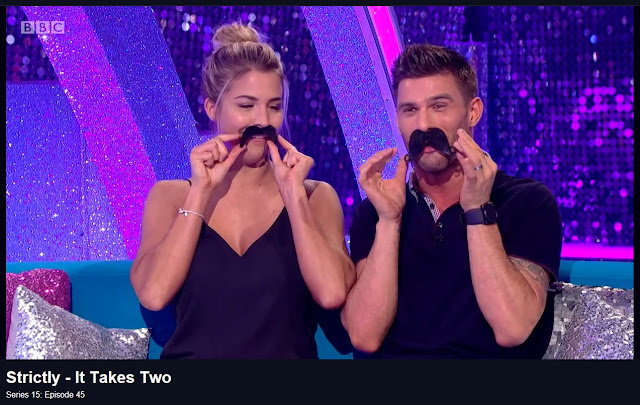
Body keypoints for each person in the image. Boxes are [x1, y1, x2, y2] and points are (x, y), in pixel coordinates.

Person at [130, 23, 355, 359]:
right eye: (247, 106)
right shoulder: (170, 196)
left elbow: (332, 293)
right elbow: (153, 294)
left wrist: (293, 197)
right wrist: (201, 192)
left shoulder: (315, 196)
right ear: (212, 108)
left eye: (274, 107)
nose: (262, 121)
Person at [341, 42, 562, 359]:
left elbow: (512, 327)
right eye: (410, 110)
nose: (423, 125)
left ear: (473, 112)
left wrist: (478, 210)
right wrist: (389, 222)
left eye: (439, 106)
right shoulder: (375, 213)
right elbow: (364, 336)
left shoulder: (527, 203)